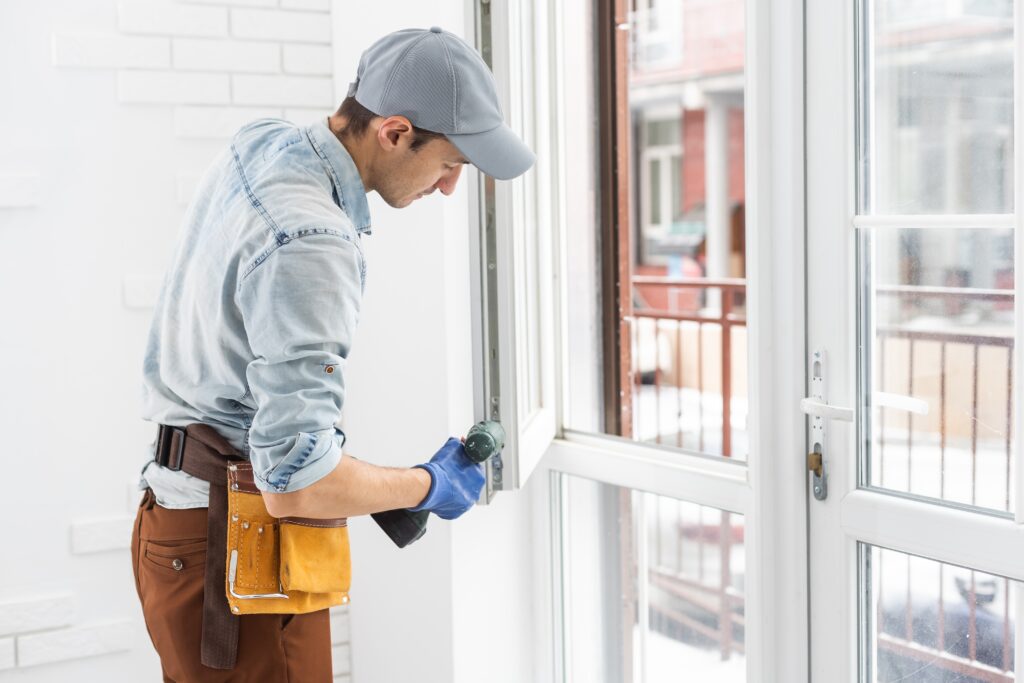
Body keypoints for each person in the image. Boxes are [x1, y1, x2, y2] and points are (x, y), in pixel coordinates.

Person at [132, 26, 534, 681]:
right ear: (397, 132)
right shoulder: (313, 239)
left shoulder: (261, 143)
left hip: (177, 519)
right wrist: (428, 483)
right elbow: (299, 484)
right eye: (450, 163)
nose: (450, 186)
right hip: (233, 551)